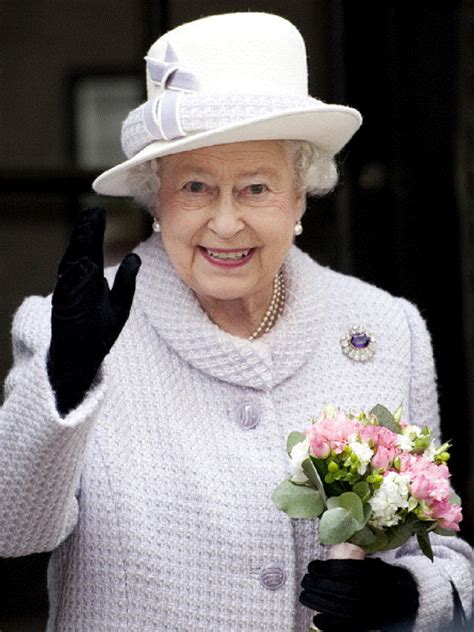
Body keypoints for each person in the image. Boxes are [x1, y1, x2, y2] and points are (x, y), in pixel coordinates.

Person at [0, 12, 471, 632]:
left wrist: (411, 597)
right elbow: (13, 530)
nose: (225, 223)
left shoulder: (384, 329)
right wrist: (65, 379)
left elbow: (446, 551)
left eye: (255, 188)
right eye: (196, 187)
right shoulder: (71, 331)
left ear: (301, 195)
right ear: (155, 197)